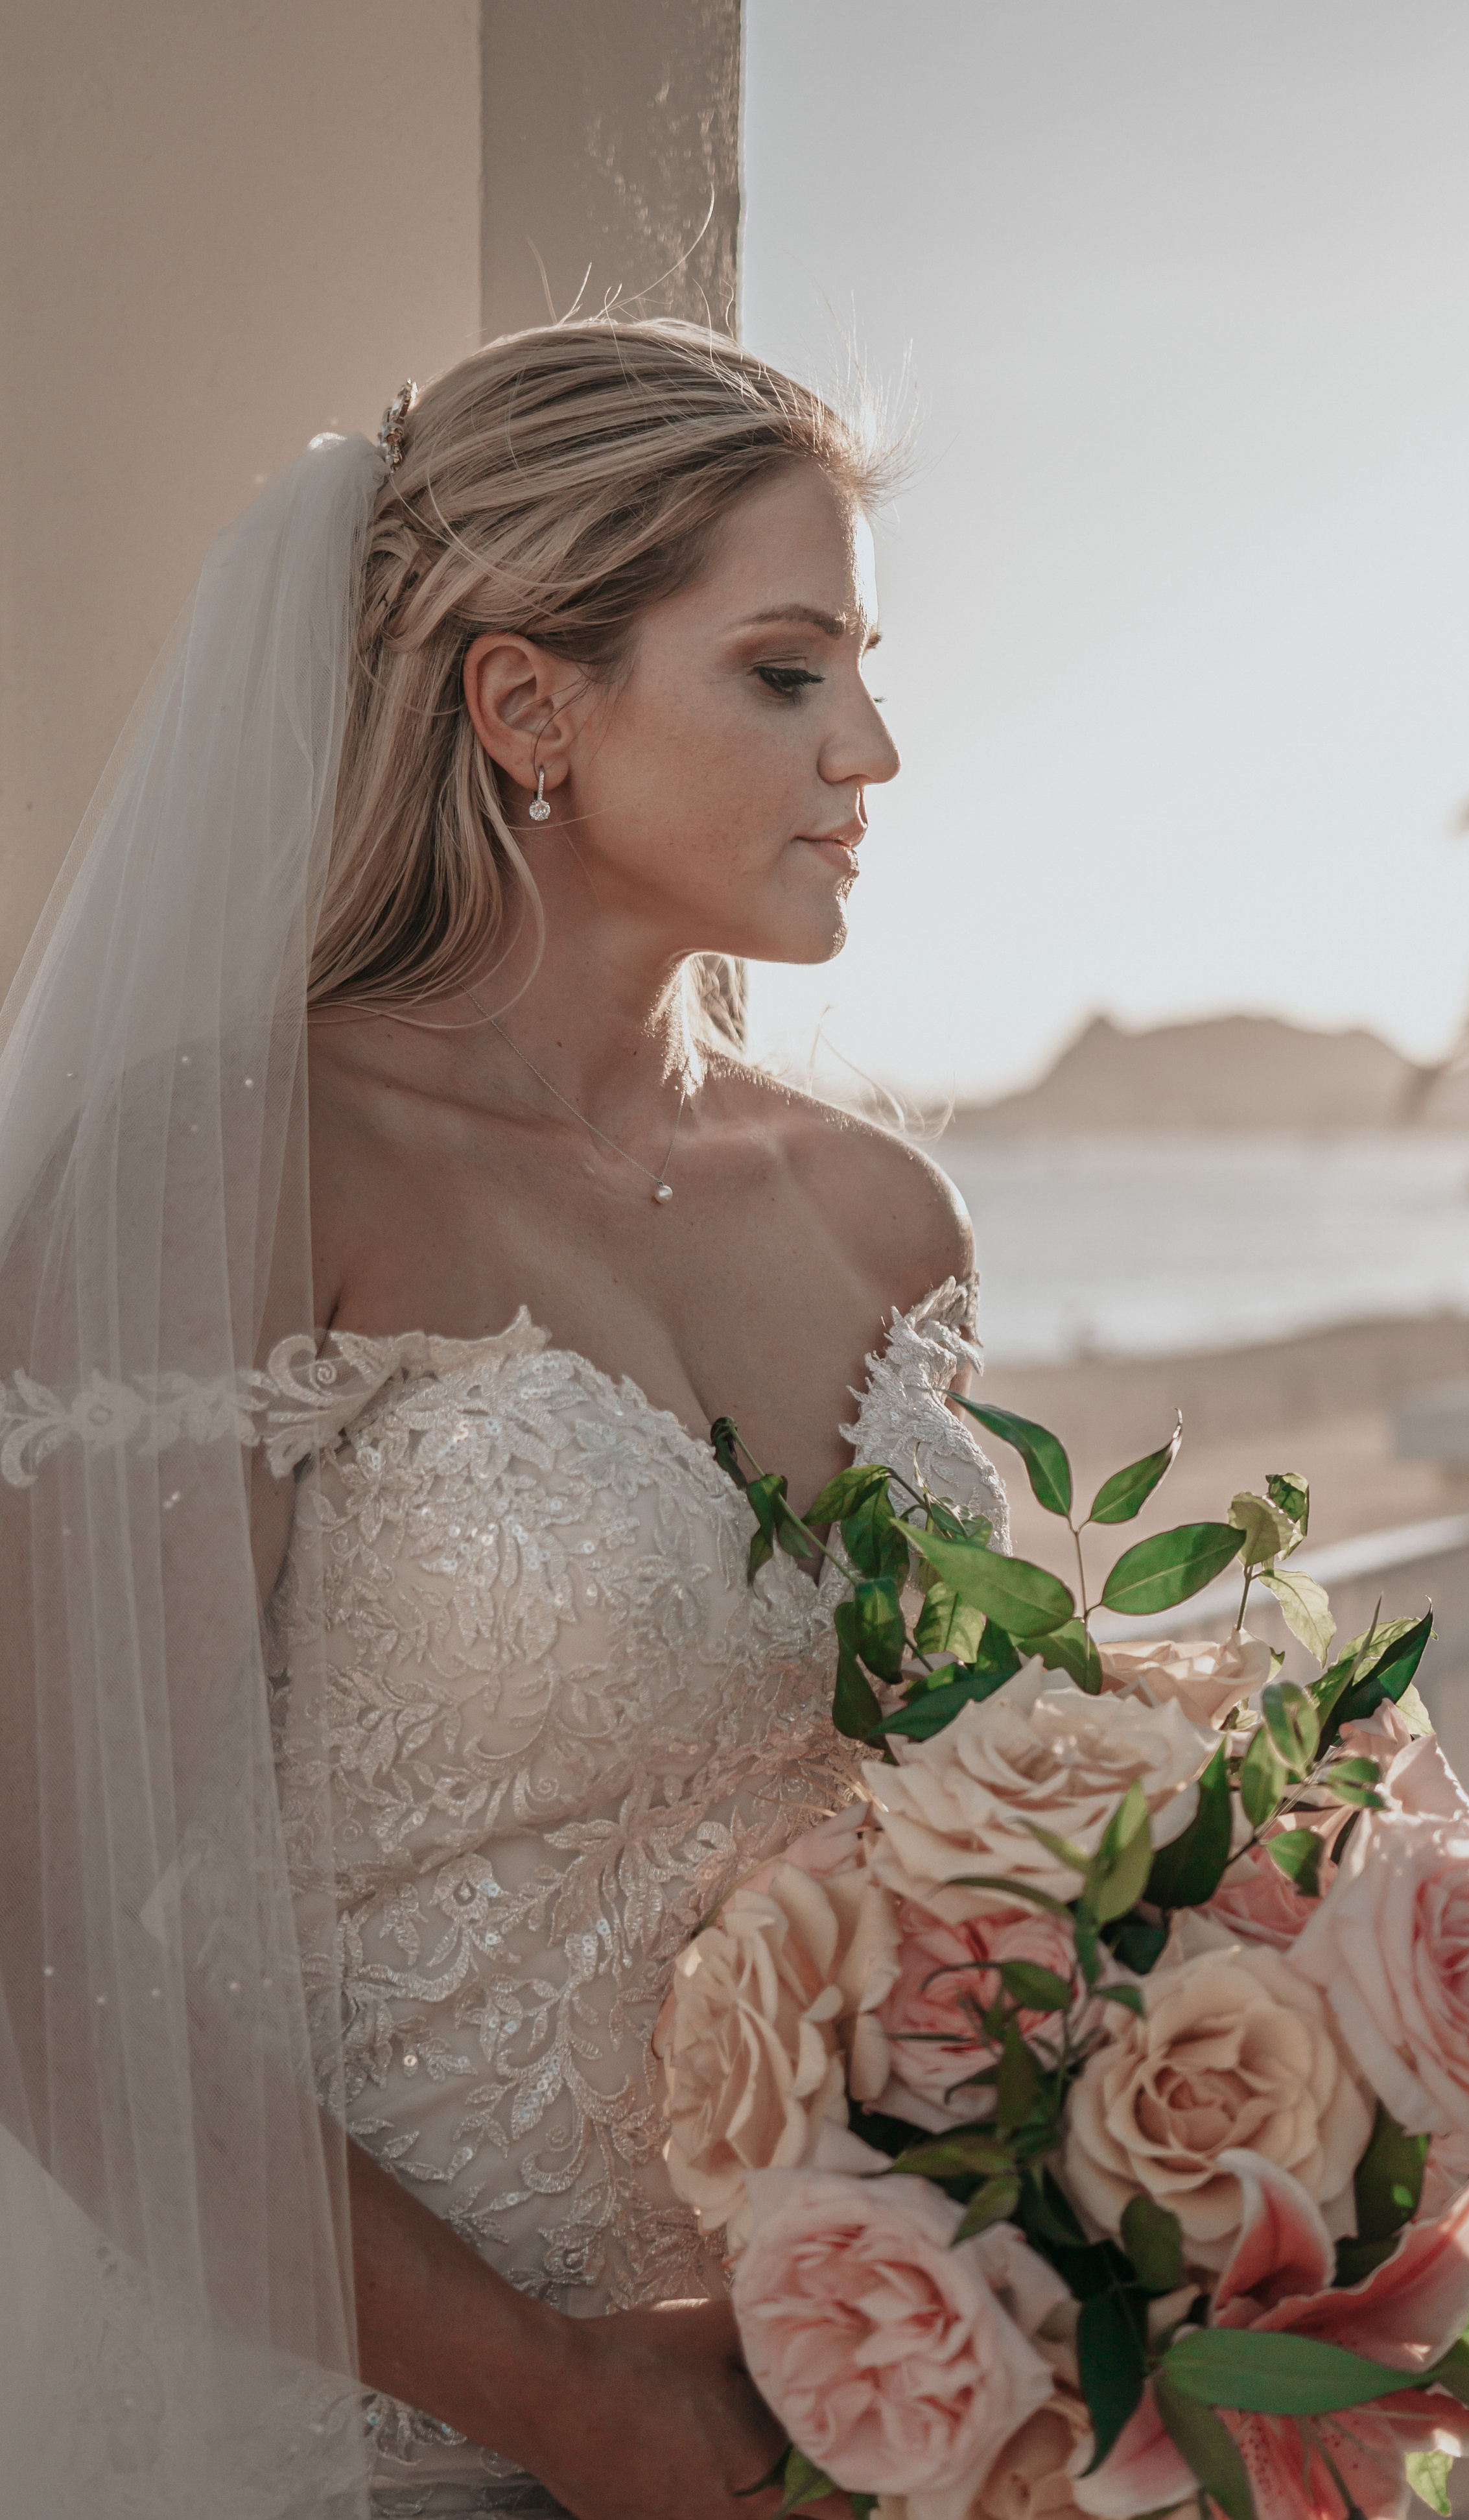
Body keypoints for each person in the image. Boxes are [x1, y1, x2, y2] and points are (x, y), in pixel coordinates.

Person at [0, 322, 1008, 2520]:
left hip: (867, 2420)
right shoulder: (239, 1178)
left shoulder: (887, 1217)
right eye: (784, 672)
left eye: (861, 667)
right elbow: (43, 1925)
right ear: (528, 704)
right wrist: (554, 2393)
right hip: (378, 2447)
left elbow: (973, 1839)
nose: (877, 749)